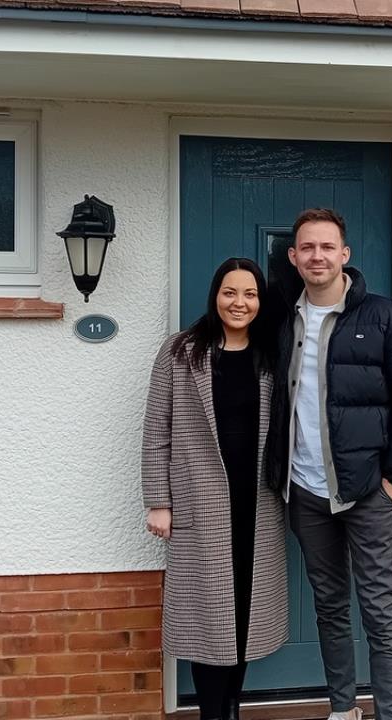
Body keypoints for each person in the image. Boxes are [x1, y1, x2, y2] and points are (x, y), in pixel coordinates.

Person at [271, 208, 392, 720]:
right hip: (305, 490)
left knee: (382, 612)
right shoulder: (281, 318)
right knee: (329, 606)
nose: (317, 256)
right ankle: (343, 708)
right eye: (307, 247)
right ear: (294, 257)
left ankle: (390, 714)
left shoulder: (387, 317)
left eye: (327, 247)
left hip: (367, 491)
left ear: (344, 255)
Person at [142, 258, 288, 720]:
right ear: (215, 295)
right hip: (199, 503)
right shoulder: (181, 351)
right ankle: (211, 713)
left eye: (250, 294)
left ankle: (233, 708)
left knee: (245, 610)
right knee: (210, 616)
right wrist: (158, 502)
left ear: (260, 302)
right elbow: (156, 430)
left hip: (259, 501)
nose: (239, 303)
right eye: (230, 292)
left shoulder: (273, 352)